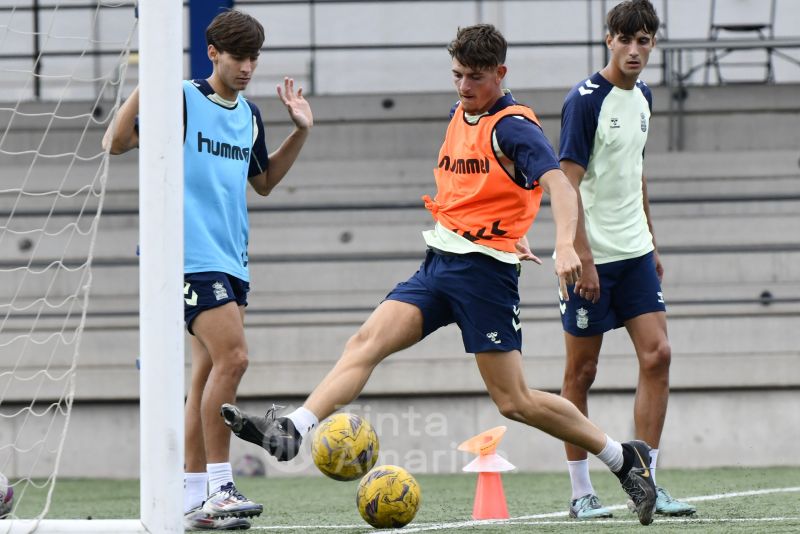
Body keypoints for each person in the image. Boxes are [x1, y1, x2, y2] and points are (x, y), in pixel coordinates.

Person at [222, 24, 658, 526]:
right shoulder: (459, 112)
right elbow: (485, 188)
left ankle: (625, 459)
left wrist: (564, 244)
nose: (464, 86)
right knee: (365, 342)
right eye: (457, 75)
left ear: (500, 73)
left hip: (484, 279)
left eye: (475, 77)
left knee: (514, 402)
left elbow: (559, 185)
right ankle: (294, 429)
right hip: (440, 264)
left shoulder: (514, 126)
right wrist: (508, 225)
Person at [102, 9, 313, 531]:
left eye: (254, 57)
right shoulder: (182, 98)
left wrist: (301, 132)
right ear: (213, 52)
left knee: (205, 376)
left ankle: (192, 495)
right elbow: (116, 141)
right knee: (234, 358)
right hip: (186, 258)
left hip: (231, 259)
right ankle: (220, 484)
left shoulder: (249, 114)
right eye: (238, 56)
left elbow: (262, 183)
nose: (247, 67)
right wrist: (147, 85)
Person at [556, 0, 695, 520]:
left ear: (653, 43)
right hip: (590, 258)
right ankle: (580, 492)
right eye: (626, 39)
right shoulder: (584, 100)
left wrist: (653, 244)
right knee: (582, 372)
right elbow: (565, 185)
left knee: (658, 355)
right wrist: (581, 255)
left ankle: (648, 483)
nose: (634, 49)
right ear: (609, 39)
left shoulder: (645, 96)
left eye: (644, 40)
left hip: (635, 253)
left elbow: (636, 173)